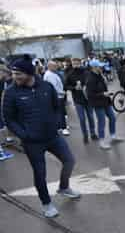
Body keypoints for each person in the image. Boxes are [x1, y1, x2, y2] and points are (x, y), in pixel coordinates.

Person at [2, 55, 80, 217]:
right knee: (40, 173)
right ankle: (46, 204)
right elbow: (9, 119)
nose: (15, 77)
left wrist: (57, 124)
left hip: (53, 136)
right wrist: (24, 134)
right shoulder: (10, 93)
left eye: (19, 74)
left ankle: (64, 187)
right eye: (14, 74)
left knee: (70, 160)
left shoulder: (46, 86)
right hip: (32, 142)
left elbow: (56, 106)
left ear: (29, 73)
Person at [86, 60, 121, 150]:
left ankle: (113, 136)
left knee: (112, 117)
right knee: (102, 121)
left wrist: (106, 93)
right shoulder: (90, 79)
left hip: (105, 101)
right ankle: (102, 141)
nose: (101, 68)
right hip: (98, 104)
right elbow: (90, 94)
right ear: (94, 68)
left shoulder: (99, 76)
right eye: (99, 67)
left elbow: (103, 88)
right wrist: (102, 94)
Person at [65, 58, 97, 144]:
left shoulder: (86, 72)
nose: (75, 65)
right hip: (78, 100)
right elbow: (66, 86)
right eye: (74, 63)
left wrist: (87, 86)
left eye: (77, 63)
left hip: (88, 99)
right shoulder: (70, 74)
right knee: (82, 119)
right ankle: (85, 135)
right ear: (72, 64)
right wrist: (74, 88)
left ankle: (93, 133)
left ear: (80, 63)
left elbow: (92, 82)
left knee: (90, 117)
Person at [43, 61, 70, 136]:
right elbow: (54, 87)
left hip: (57, 96)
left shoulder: (51, 73)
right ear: (50, 66)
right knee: (60, 112)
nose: (56, 67)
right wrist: (62, 92)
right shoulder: (50, 75)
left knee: (59, 112)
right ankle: (63, 128)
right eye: (54, 66)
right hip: (58, 96)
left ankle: (60, 126)